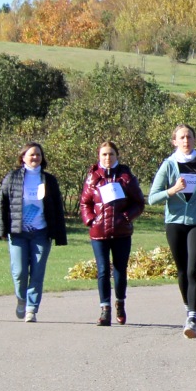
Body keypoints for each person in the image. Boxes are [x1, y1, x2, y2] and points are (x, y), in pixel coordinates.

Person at [147, 123, 196, 339]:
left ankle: (192, 318)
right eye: (182, 138)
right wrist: (172, 190)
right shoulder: (169, 165)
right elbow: (152, 198)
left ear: (195, 139)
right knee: (182, 270)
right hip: (175, 222)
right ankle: (188, 307)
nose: (186, 141)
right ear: (174, 141)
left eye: (189, 137)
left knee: (193, 269)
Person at [0, 141, 68, 322]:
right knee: (19, 272)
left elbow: (57, 207)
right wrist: (1, 229)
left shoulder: (49, 180)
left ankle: (31, 309)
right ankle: (21, 299)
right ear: (23, 157)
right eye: (32, 154)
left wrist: (59, 234)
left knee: (37, 272)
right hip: (18, 232)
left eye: (38, 154)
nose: (35, 157)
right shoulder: (12, 177)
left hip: (41, 232)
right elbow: (2, 203)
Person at [80, 140, 145, 327]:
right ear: (99, 156)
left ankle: (120, 303)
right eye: (104, 154)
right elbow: (85, 203)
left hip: (121, 232)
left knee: (119, 270)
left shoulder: (125, 177)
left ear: (117, 156)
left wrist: (126, 217)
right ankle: (105, 309)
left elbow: (139, 203)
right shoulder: (93, 177)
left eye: (111, 154)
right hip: (99, 233)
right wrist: (91, 220)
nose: (107, 158)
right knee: (102, 270)